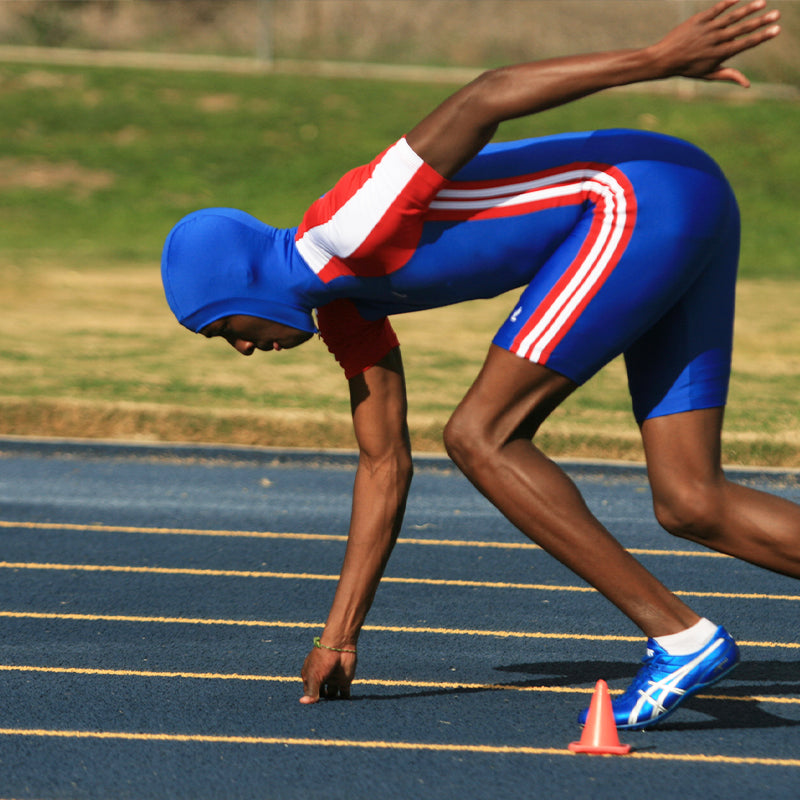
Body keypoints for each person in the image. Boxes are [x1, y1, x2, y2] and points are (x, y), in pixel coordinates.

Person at [160, 0, 793, 730]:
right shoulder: (342, 305)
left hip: (634, 198)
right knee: (692, 500)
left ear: (240, 286)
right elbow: (384, 463)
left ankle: (682, 639)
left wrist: (656, 59)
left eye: (225, 330)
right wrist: (338, 637)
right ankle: (683, 636)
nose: (242, 349)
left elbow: (483, 96)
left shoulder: (341, 231)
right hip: (680, 192)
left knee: (479, 434)